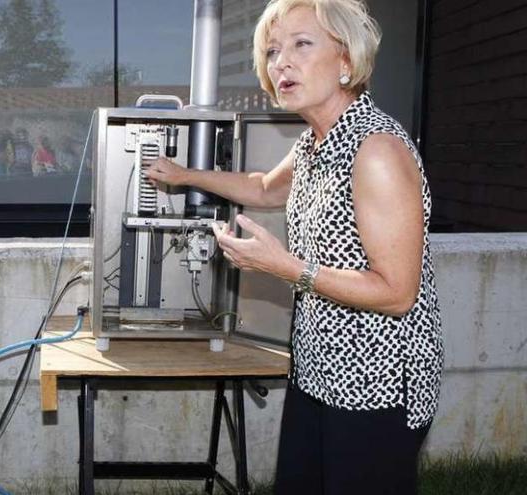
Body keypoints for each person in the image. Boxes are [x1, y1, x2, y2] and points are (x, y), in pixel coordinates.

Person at [146, 1, 443, 493]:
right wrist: (183, 176)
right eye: (272, 50)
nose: (280, 62)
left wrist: (285, 268)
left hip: (378, 387)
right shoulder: (314, 143)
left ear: (346, 60)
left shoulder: (377, 150)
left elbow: (397, 292)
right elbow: (264, 187)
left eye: (302, 44)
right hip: (317, 372)